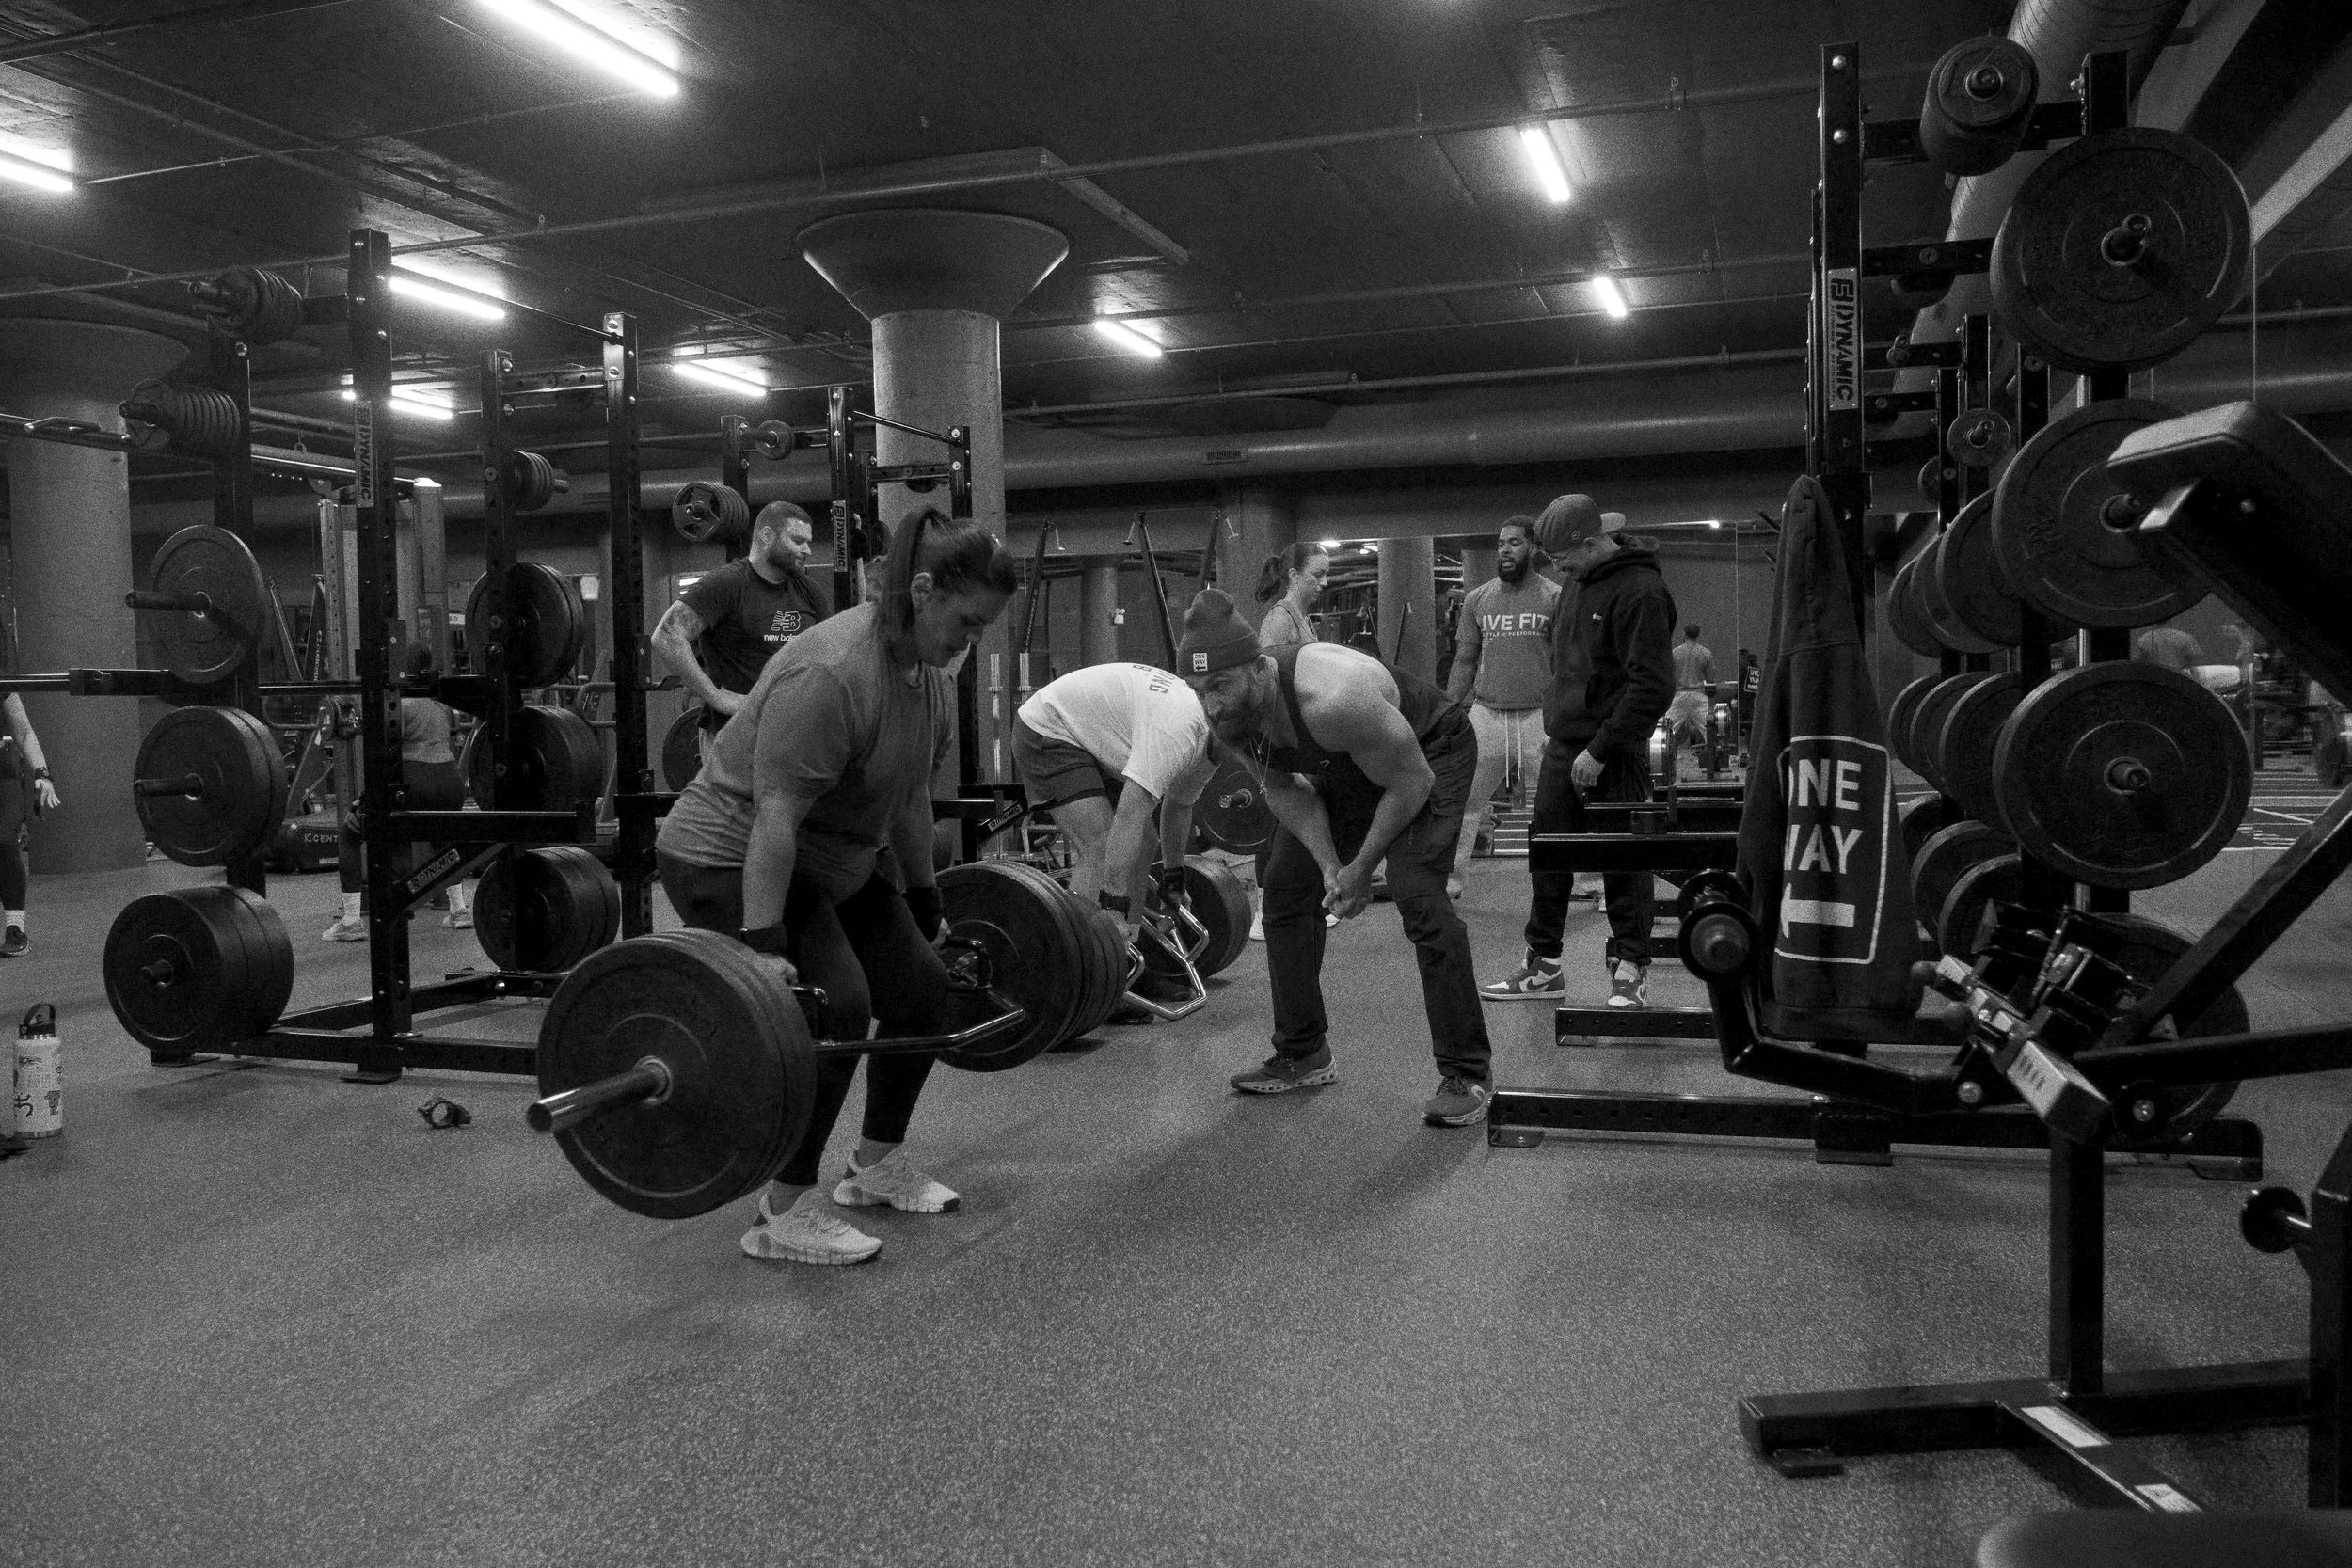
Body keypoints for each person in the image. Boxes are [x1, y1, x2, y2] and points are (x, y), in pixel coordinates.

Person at [655, 506, 1019, 1266]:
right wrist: (765, 945)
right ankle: (782, 1209)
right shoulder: (834, 671)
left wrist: (925, 901)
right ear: (921, 590)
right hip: (727, 855)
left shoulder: (925, 676)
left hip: (831, 858)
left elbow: (911, 796)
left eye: (983, 627)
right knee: (837, 1001)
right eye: (967, 620)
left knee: (921, 988)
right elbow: (775, 815)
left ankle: (874, 1163)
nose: (971, 639)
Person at [1177, 588, 1493, 1127]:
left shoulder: (1333, 697)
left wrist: (1363, 869)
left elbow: (1410, 781)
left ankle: (1467, 1070)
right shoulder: (1226, 716)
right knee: (1285, 891)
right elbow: (1282, 787)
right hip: (1349, 761)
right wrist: (1330, 866)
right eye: (1198, 688)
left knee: (1419, 895)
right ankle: (1302, 1052)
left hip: (1427, 752)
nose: (1211, 704)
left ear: (1258, 669)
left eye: (1221, 685)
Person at [1483, 497, 1675, 1008]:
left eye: (1565, 559)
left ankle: (1631, 967)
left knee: (1624, 862)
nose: (1558, 569)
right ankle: (1543, 965)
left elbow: (1651, 686)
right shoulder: (1578, 580)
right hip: (1564, 745)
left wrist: (1601, 747)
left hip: (1615, 751)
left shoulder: (1641, 591)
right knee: (1548, 856)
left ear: (1592, 543)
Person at [1011, 661, 1216, 946]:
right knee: (1102, 847)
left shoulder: (1214, 746)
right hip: (1050, 725)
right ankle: (1081, 965)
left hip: (1098, 736)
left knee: (1144, 841)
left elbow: (1178, 806)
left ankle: (1125, 949)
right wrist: (1112, 905)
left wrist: (1173, 878)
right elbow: (1129, 815)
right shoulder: (1180, 732)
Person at [652, 500, 834, 770]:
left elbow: (829, 657)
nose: (806, 549)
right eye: (797, 540)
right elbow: (666, 635)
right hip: (735, 736)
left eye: (808, 542)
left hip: (791, 735)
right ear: (767, 536)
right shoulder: (728, 583)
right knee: (737, 814)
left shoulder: (809, 591)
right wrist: (714, 696)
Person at [326, 643, 469, 941]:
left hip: (415, 779)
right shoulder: (442, 704)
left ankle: (351, 920)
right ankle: (459, 910)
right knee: (442, 839)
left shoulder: (398, 704)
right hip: (450, 780)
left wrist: (364, 799)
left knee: (351, 834)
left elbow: (385, 756)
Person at [1446, 516, 1559, 893]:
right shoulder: (1478, 599)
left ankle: (1586, 880)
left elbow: (1567, 662)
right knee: (1463, 800)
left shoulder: (1555, 598)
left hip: (1539, 716)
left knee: (1556, 803)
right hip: (1487, 715)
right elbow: (1464, 660)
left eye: (1514, 543)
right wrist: (1448, 710)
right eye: (1500, 544)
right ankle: (1452, 879)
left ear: (1533, 547)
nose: (1505, 550)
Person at [1248, 543, 1332, 940]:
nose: (1324, 583)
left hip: (1303, 736)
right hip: (1282, 737)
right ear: (1295, 576)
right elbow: (1267, 687)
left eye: (1326, 575)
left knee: (1302, 815)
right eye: (1317, 575)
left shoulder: (1302, 619)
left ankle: (1307, 898)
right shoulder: (1279, 621)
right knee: (1280, 816)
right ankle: (1264, 909)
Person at [0, 626, 59, 957]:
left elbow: (23, 733)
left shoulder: (2, 683)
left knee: (5, 841)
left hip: (2, 777)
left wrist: (42, 773)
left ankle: (16, 928)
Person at [1663, 623, 1716, 775]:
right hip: (1699, 696)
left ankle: (1663, 764)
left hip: (1679, 696)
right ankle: (1713, 764)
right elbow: (1711, 680)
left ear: (1684, 634)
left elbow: (1667, 676)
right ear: (1697, 635)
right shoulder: (1706, 653)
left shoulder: (1674, 653)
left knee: (1667, 731)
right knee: (1709, 731)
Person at [2132, 623, 2204, 673]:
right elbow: (2194, 665)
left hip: (2155, 681)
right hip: (2179, 680)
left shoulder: (2145, 639)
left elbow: (2137, 663)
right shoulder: (2183, 637)